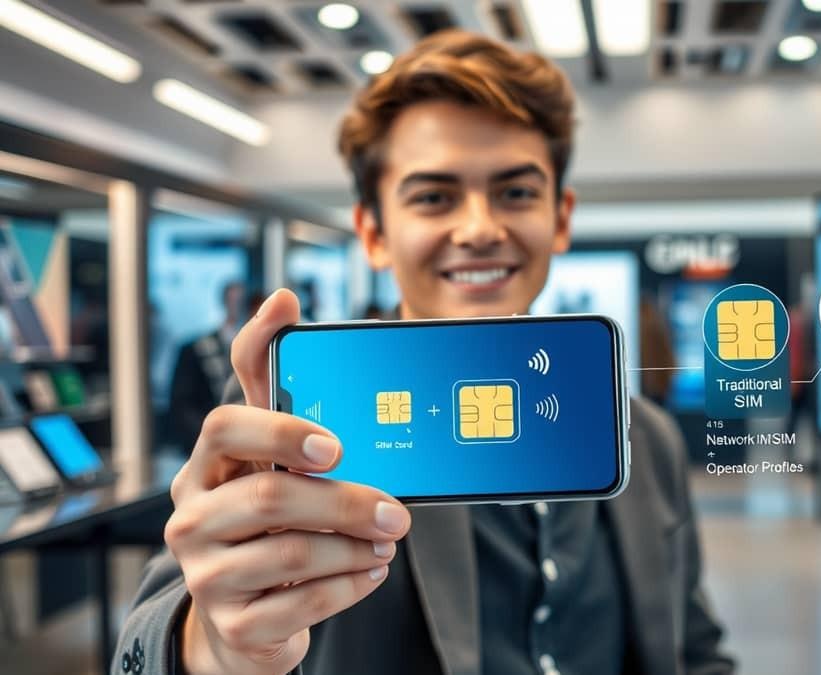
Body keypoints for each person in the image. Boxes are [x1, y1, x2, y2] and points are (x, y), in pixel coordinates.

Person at [114, 31, 734, 675]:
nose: (479, 229)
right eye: (434, 197)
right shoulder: (299, 422)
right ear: (374, 233)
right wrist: (214, 644)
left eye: (516, 193)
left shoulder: (645, 437)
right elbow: (152, 633)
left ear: (559, 218)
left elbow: (693, 649)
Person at [165, 280, 245, 452]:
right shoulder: (196, 349)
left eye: (243, 302)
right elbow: (182, 405)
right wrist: (209, 437)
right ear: (225, 302)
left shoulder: (268, 350)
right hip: (206, 444)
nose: (239, 307)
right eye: (235, 301)